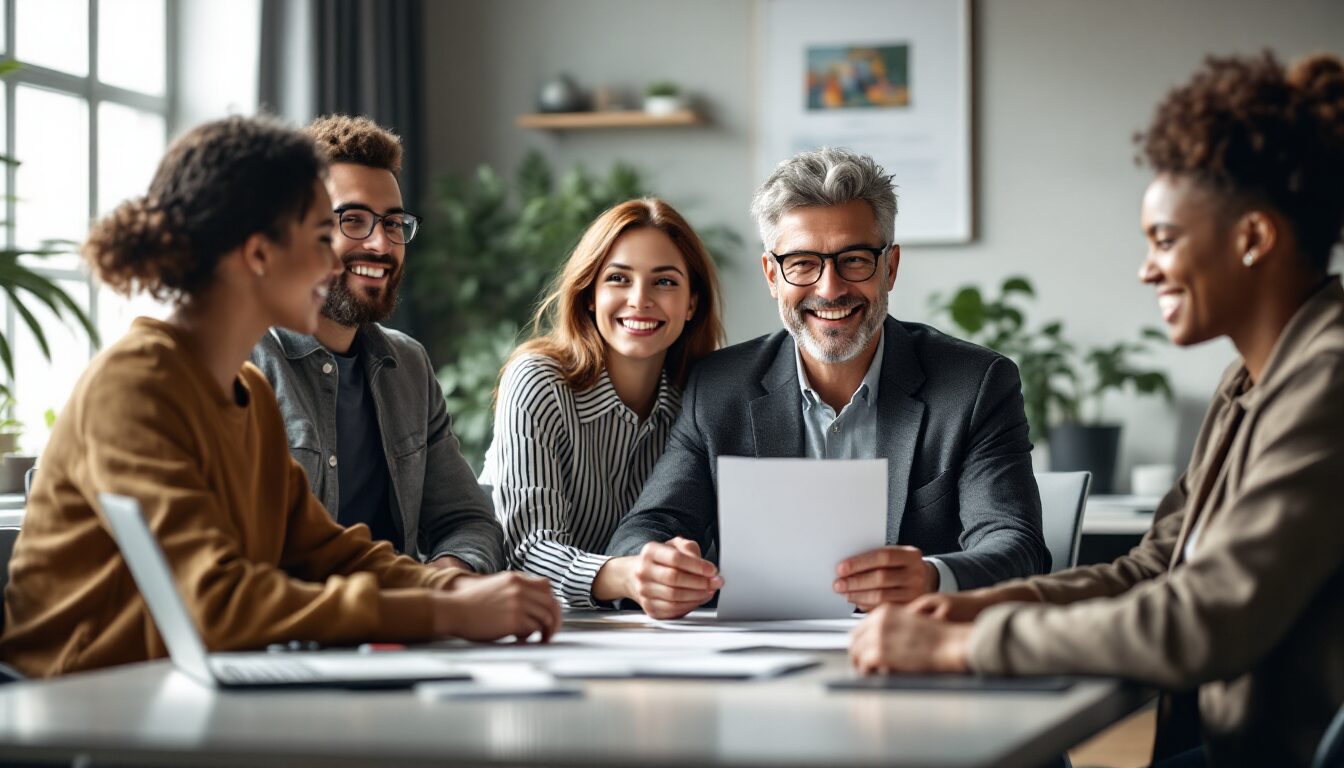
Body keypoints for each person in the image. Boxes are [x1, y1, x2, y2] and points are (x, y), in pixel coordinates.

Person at [848, 52, 1344, 767]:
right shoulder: (1252, 381)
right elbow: (1157, 566)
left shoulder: (1326, 383)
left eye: (1165, 240)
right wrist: (984, 604)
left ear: (1253, 238)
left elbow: (1204, 617)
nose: (1147, 268)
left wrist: (967, 646)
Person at [0, 116, 560, 678]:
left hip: (176, 694)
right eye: (323, 237)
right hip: (80, 712)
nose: (333, 261)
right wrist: (442, 609)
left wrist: (454, 589)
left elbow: (327, 550)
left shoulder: (246, 395)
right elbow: (213, 601)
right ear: (258, 253)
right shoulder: (135, 384)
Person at [605, 148, 1049, 619]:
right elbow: (648, 527)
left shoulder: (974, 384)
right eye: (801, 263)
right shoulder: (718, 386)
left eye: (854, 260)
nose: (830, 288)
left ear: (890, 268)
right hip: (757, 660)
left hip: (915, 653)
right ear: (772, 275)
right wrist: (652, 569)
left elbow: (1017, 546)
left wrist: (933, 577)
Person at [251, 115, 503, 573]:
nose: (381, 244)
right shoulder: (245, 362)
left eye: (393, 223)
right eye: (353, 220)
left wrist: (446, 582)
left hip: (398, 631)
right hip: (295, 632)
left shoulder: (407, 364)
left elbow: (467, 520)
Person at [480, 199, 724, 608]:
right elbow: (527, 552)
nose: (640, 299)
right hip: (526, 625)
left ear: (692, 304)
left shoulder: (699, 400)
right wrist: (627, 576)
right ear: (590, 294)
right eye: (618, 279)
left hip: (642, 632)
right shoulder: (538, 381)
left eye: (664, 282)